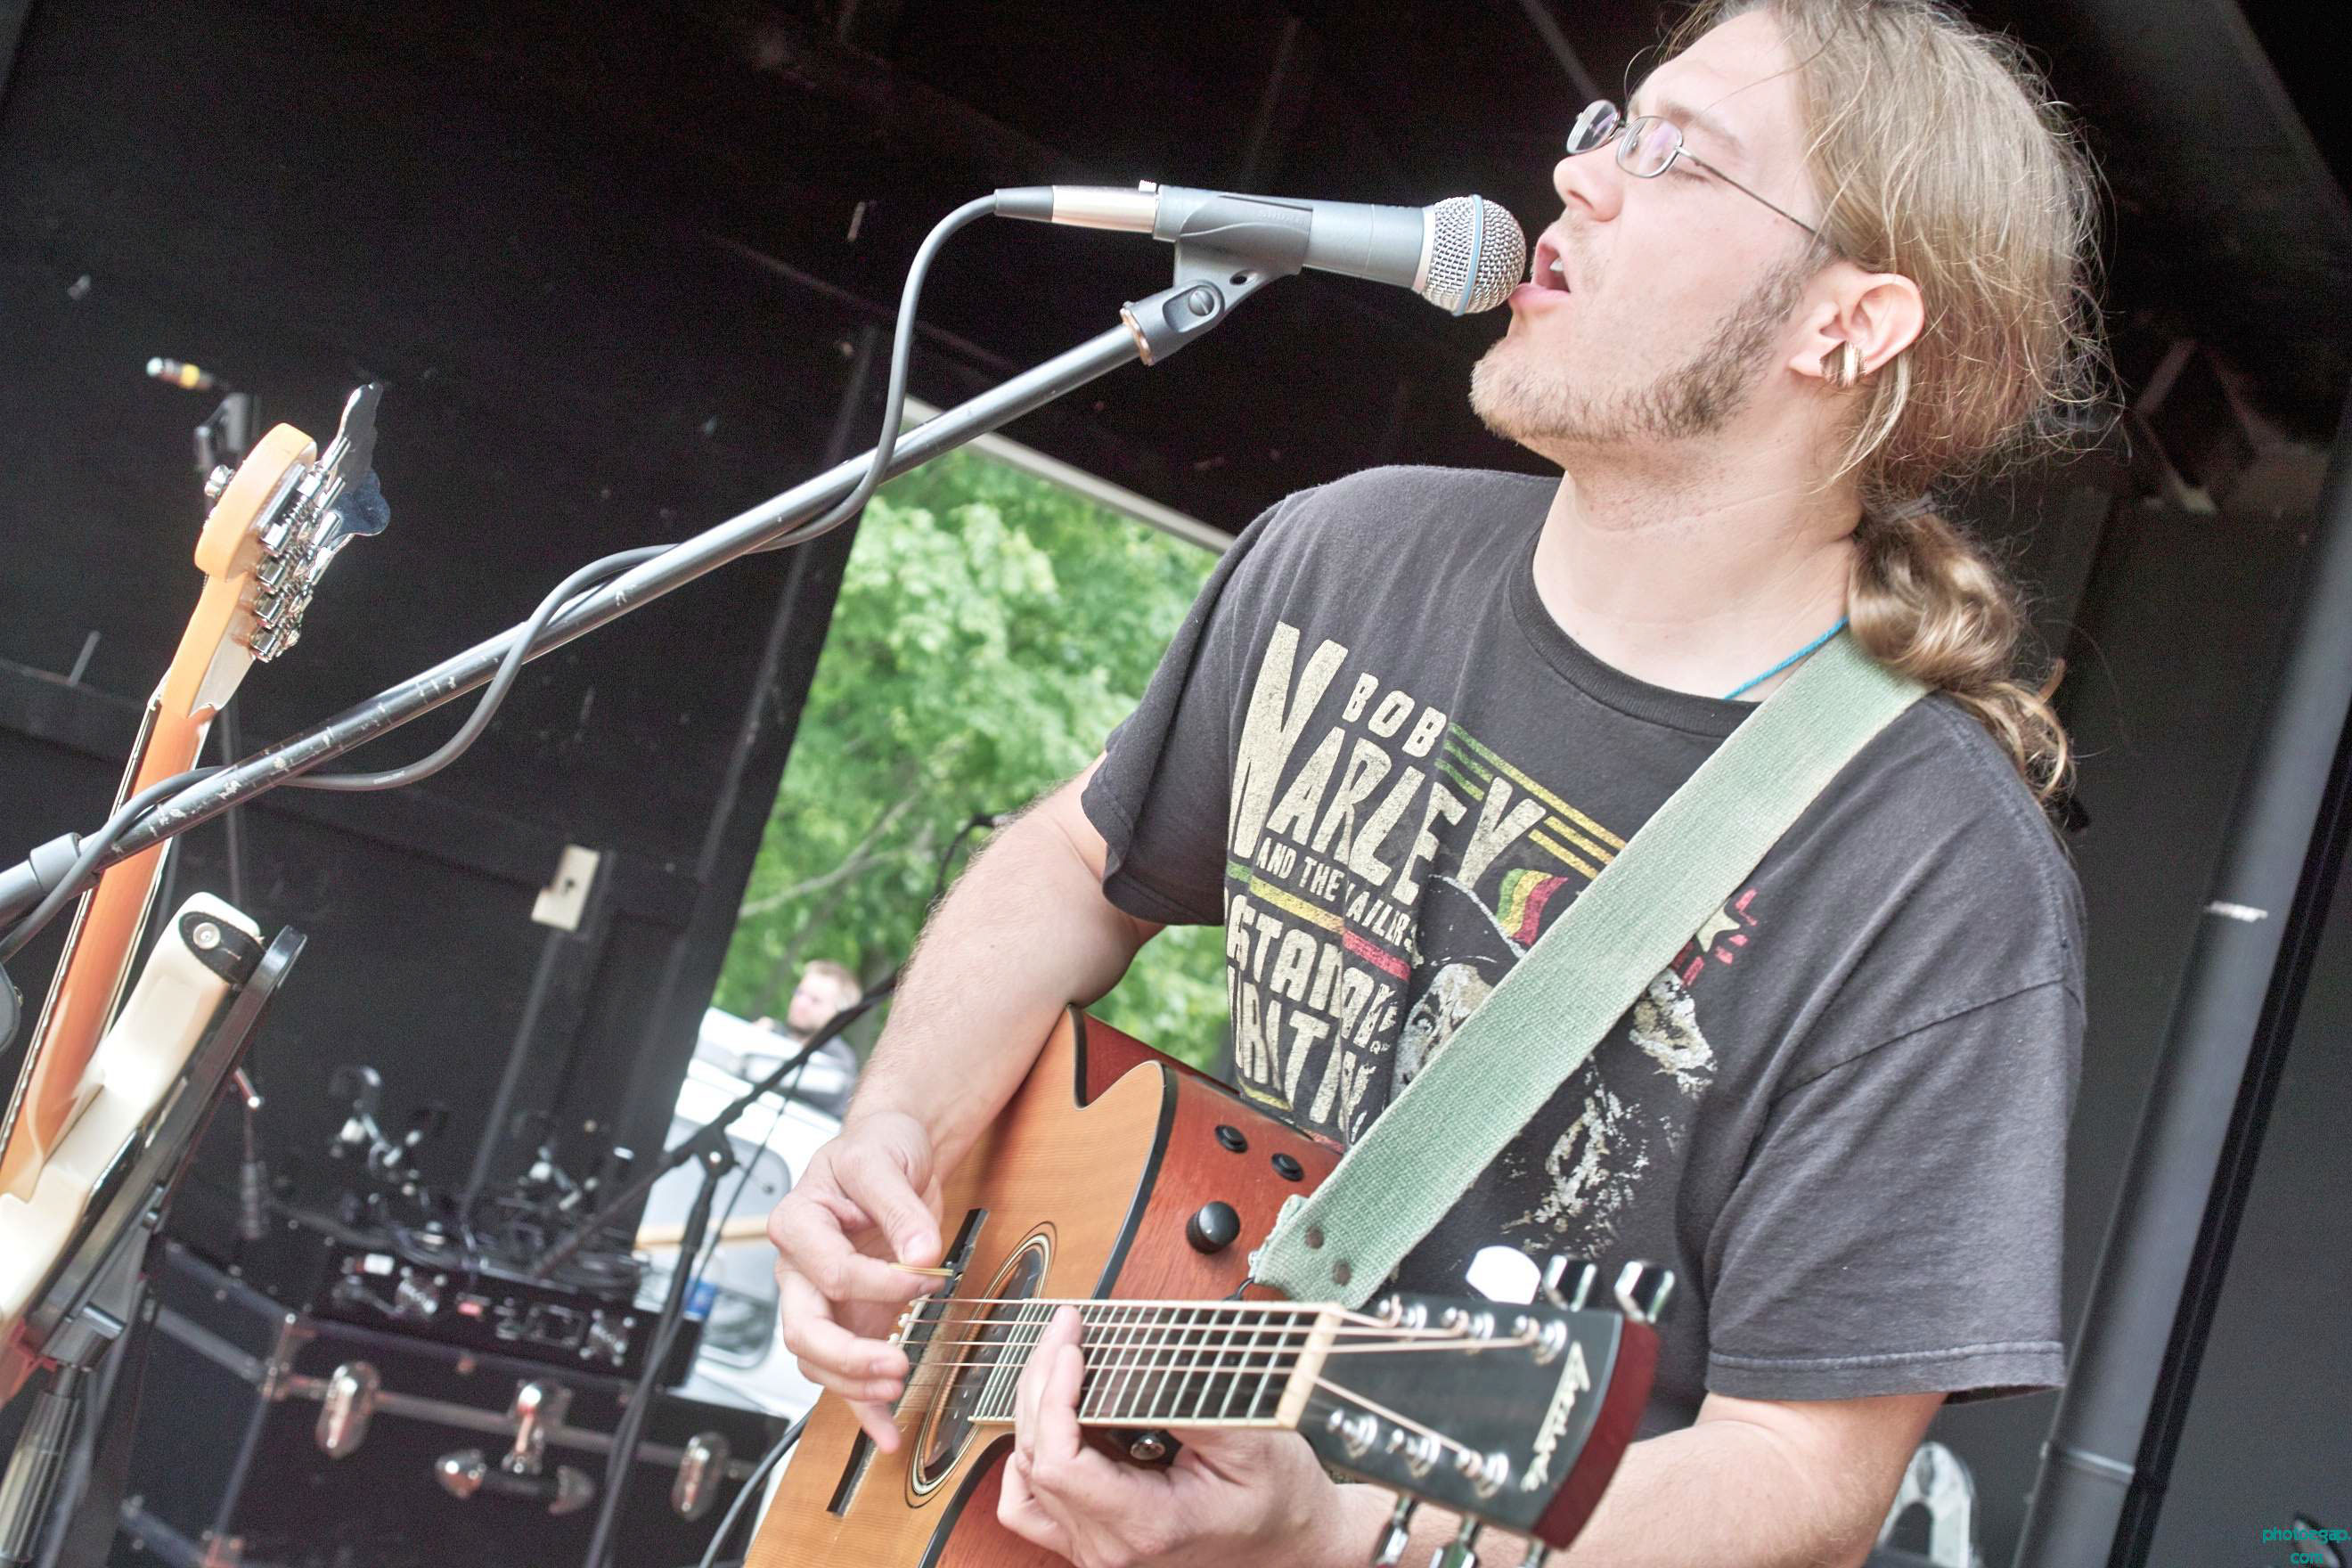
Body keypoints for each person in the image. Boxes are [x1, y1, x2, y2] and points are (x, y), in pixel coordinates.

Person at [766, 0, 2106, 1563]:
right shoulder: (1348, 556)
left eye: (1680, 158)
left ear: (1848, 328)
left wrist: (1340, 1540)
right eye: (1612, 129)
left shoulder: (1937, 873)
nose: (1578, 175)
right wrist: (899, 1137)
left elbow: (1803, 1472)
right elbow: (1076, 862)